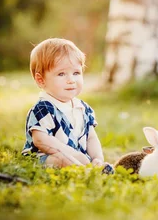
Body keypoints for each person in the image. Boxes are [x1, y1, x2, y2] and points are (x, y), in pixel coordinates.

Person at [21, 38, 112, 172]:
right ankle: (84, 171)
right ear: (41, 80)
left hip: (79, 159)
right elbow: (40, 140)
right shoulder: (44, 108)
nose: (71, 80)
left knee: (87, 161)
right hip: (44, 157)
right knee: (60, 160)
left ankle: (94, 168)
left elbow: (91, 137)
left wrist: (97, 157)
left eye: (76, 73)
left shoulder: (83, 108)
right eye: (61, 74)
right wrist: (73, 154)